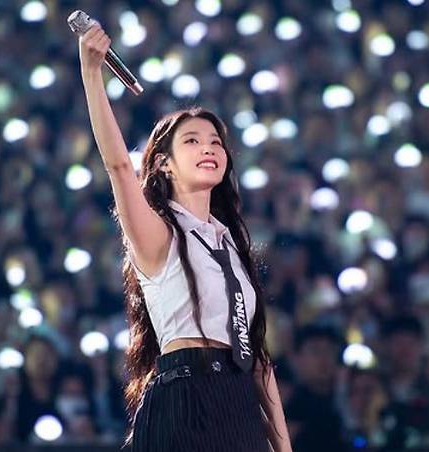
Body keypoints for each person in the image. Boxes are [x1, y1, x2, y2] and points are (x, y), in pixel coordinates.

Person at [77, 22, 292, 452]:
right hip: (184, 397)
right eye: (192, 141)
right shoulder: (160, 233)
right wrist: (91, 73)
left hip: (238, 403)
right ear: (164, 164)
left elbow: (257, 360)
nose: (208, 148)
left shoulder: (231, 245)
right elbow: (119, 167)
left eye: (215, 142)